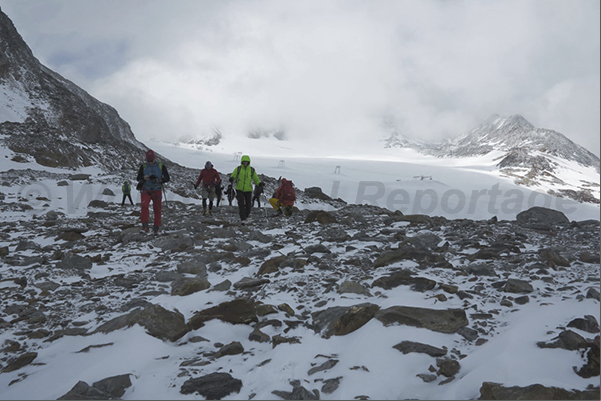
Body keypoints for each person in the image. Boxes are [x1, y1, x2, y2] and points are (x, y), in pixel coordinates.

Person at [136, 149, 170, 234]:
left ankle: (156, 228)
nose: (150, 162)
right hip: (146, 189)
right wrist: (143, 178)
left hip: (157, 189)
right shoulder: (143, 166)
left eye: (151, 160)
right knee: (144, 207)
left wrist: (159, 180)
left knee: (157, 209)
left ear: (154, 158)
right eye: (148, 161)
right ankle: (145, 227)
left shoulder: (161, 166)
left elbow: (167, 178)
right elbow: (138, 177)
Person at [229, 155, 263, 222]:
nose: (245, 163)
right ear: (242, 162)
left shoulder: (251, 170)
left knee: (248, 205)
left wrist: (259, 183)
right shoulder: (238, 169)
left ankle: (246, 216)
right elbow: (234, 175)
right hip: (239, 189)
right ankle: (243, 219)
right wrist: (232, 178)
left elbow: (256, 179)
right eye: (244, 162)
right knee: (241, 204)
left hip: (248, 189)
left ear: (249, 162)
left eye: (246, 162)